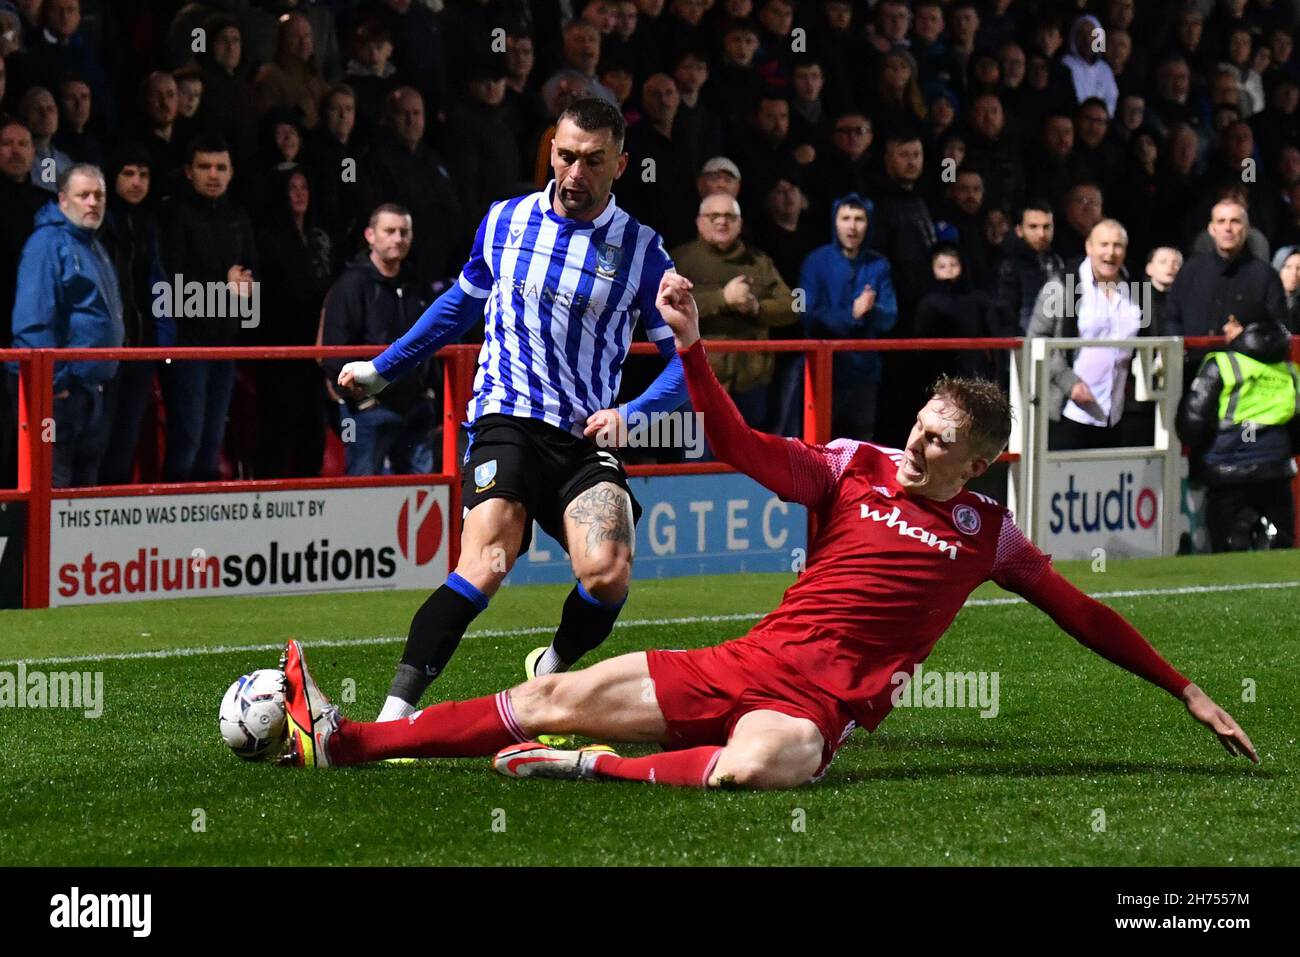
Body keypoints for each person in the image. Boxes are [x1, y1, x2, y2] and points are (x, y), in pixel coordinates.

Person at [273, 270, 1258, 786]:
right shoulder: (854, 469)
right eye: (916, 429)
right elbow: (742, 447)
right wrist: (694, 354)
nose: (912, 448)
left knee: (764, 767)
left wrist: (1187, 691)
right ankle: (350, 741)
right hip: (743, 662)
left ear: (978, 462)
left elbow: (1079, 612)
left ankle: (588, 769)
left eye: (935, 442)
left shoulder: (986, 533)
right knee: (549, 695)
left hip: (808, 715)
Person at [336, 99, 689, 723]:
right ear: (551, 148)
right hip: (506, 418)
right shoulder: (505, 221)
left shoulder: (641, 251)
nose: (575, 172)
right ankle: (392, 718)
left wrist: (631, 413)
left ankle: (549, 669)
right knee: (487, 560)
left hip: (582, 436)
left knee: (607, 574)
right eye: (565, 155)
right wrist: (380, 369)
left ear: (622, 165)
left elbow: (687, 361)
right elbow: (457, 308)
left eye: (594, 161)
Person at [7, 163, 123, 487]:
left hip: (89, 391)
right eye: (83, 195)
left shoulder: (93, 245)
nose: (92, 202)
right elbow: (32, 322)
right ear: (62, 200)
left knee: (82, 495)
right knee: (51, 488)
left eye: (98, 195)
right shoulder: (46, 244)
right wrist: (54, 384)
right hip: (59, 393)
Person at [155, 134, 258, 483]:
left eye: (220, 167)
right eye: (204, 167)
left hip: (225, 343)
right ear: (188, 171)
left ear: (231, 172)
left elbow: (250, 280)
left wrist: (241, 289)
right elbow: (173, 283)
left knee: (213, 438)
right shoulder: (173, 215)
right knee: (189, 436)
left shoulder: (238, 216)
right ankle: (173, 515)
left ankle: (205, 521)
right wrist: (223, 284)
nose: (213, 175)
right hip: (187, 344)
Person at [320, 203, 435, 477]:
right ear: (370, 235)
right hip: (368, 413)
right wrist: (362, 401)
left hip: (417, 409)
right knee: (362, 498)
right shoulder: (349, 285)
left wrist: (430, 391)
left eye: (404, 232)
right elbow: (331, 352)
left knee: (422, 498)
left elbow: (434, 340)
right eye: (390, 231)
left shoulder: (417, 283)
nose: (398, 238)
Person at [670, 192, 796, 430]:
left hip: (750, 382)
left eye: (730, 216)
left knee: (749, 462)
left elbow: (791, 307)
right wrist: (722, 298)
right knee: (698, 464)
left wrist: (756, 307)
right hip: (697, 381)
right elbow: (663, 309)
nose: (722, 221)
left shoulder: (759, 262)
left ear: (740, 223)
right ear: (699, 221)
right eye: (713, 215)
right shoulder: (680, 260)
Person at [1177, 316, 1299, 552]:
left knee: (1227, 546)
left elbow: (1192, 423)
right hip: (1275, 469)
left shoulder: (1222, 364)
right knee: (1280, 545)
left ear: (1246, 330)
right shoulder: (1289, 371)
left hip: (1226, 468)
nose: (1225, 328)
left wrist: (1200, 454)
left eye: (1232, 323)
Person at [1027, 219, 1143, 450]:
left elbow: (1147, 338)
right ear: (1089, 247)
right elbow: (1037, 339)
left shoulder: (1138, 287)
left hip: (1116, 411)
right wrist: (1069, 383)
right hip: (1069, 410)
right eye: (1104, 244)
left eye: (1118, 245)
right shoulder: (1061, 285)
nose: (1110, 252)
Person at [798, 193, 898, 440]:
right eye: (845, 218)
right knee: (819, 443)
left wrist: (870, 309)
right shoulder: (814, 261)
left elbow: (890, 316)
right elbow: (805, 313)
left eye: (859, 218)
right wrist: (851, 314)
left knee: (861, 443)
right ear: (834, 221)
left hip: (864, 373)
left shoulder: (879, 264)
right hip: (823, 370)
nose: (852, 226)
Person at [996, 202, 1064, 333]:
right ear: (1019, 230)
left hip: (1058, 340)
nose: (1041, 233)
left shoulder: (1059, 260)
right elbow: (1006, 315)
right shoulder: (1009, 265)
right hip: (1024, 342)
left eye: (1047, 227)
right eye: (1033, 227)